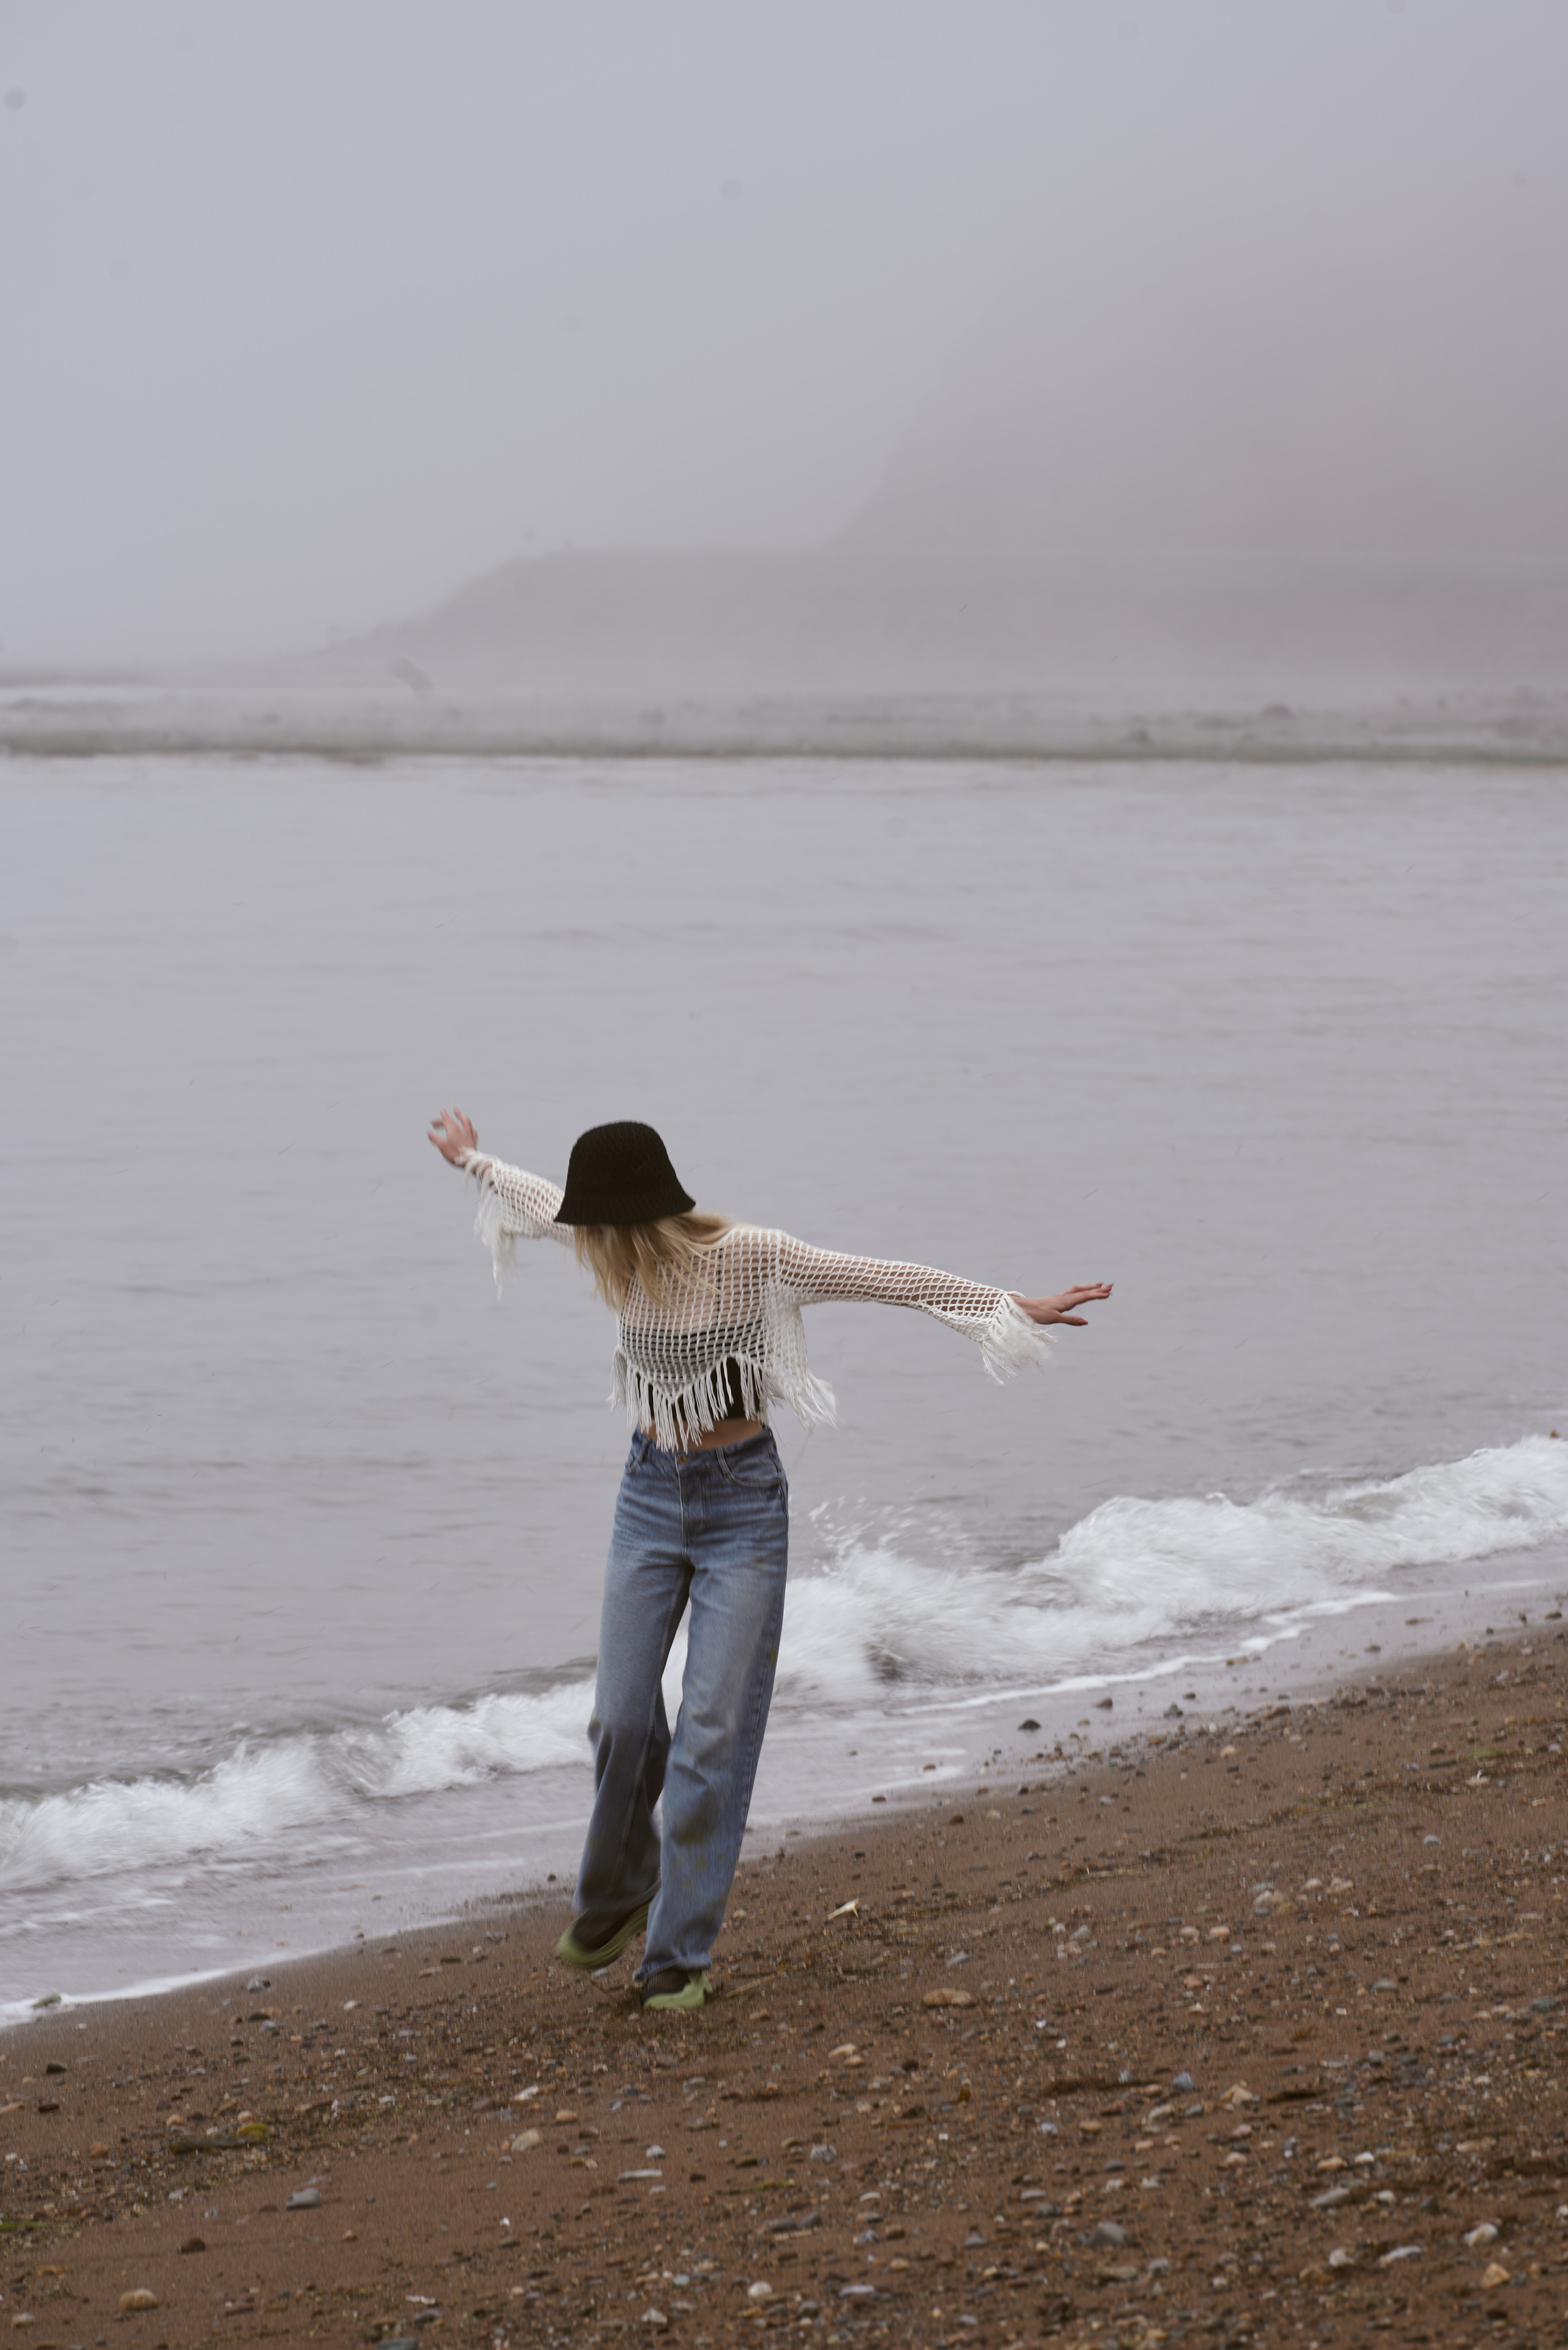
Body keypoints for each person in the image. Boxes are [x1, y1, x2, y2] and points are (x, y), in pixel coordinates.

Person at [429, 1110, 1110, 2011]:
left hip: (740, 1507)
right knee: (619, 1720)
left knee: (712, 1728)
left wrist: (1002, 1305)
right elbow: (536, 1199)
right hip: (646, 1496)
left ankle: (676, 1956)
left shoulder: (753, 1255)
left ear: (644, 1213)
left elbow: (880, 1277)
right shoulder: (598, 1233)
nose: (586, 1234)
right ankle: (625, 1889)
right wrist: (472, 1158)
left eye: (603, 1220)